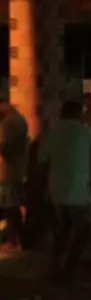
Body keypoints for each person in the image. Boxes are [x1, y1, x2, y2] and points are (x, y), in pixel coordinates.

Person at [38, 100, 91, 284]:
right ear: (79, 114)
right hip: (80, 192)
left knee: (60, 233)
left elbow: (42, 163)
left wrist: (42, 189)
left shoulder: (52, 133)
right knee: (81, 233)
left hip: (56, 191)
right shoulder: (87, 132)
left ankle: (55, 268)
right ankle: (68, 270)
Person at [0, 99, 28, 249]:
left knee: (10, 206)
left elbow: (4, 148)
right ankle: (20, 239)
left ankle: (16, 240)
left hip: (7, 172)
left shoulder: (8, 123)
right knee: (12, 205)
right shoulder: (19, 119)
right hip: (16, 170)